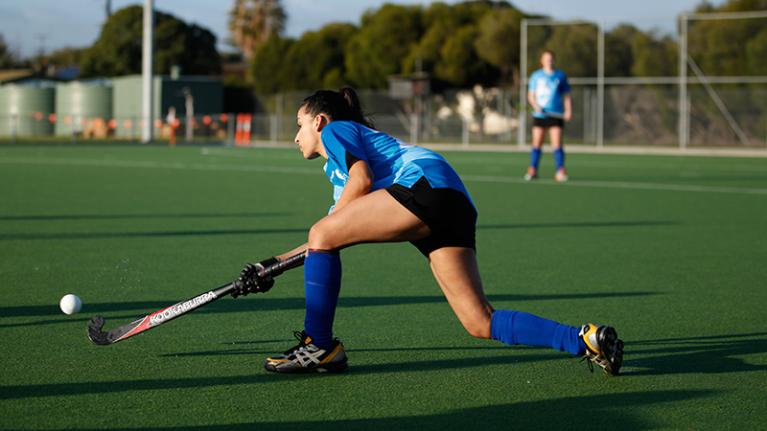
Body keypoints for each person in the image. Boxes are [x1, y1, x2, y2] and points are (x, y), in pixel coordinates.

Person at [233, 88, 623, 375]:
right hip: (453, 202)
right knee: (478, 321)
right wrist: (271, 266)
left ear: (319, 121)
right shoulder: (341, 174)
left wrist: (289, 256)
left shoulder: (338, 132)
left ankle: (319, 345)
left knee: (324, 232)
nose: (295, 136)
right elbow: (326, 237)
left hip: (424, 186)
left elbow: (356, 188)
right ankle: (584, 338)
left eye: (299, 125)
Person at [526, 50, 572, 182]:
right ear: (542, 60)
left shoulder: (560, 75)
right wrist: (535, 106)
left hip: (555, 115)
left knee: (557, 144)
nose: (549, 60)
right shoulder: (536, 76)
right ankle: (533, 169)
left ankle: (560, 170)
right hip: (540, 115)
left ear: (554, 60)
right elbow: (531, 96)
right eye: (546, 58)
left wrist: (568, 111)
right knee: (536, 143)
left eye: (551, 58)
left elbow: (567, 95)